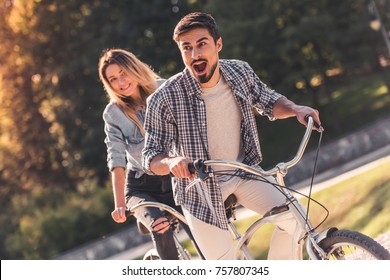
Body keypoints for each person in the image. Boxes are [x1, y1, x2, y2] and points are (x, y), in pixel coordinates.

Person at [142, 12, 321, 260]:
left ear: (218, 44)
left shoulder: (239, 71)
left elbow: (268, 100)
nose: (195, 55)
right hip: (200, 189)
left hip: (242, 171)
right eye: (187, 48)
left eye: (202, 44)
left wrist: (295, 109)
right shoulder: (165, 98)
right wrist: (172, 162)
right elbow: (151, 156)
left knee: (296, 219)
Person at [98, 48, 200, 260]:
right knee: (160, 226)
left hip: (177, 178)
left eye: (123, 73)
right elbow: (116, 160)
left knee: (201, 231)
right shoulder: (113, 113)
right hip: (142, 187)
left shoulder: (164, 89)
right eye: (113, 79)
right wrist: (119, 205)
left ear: (133, 68)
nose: (121, 82)